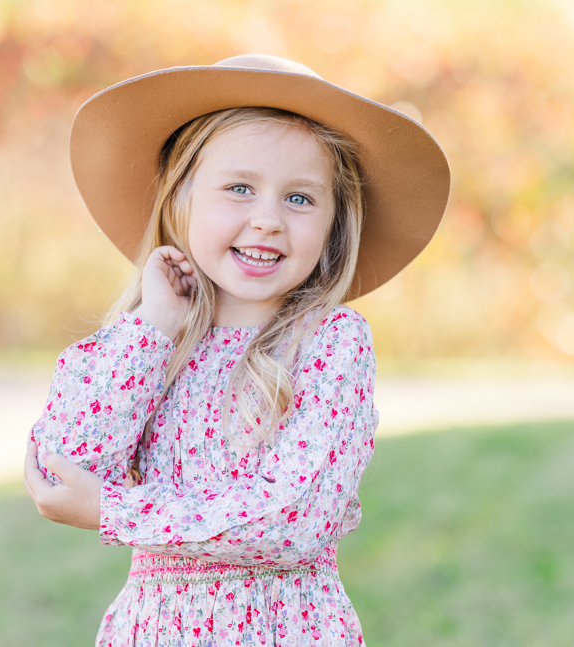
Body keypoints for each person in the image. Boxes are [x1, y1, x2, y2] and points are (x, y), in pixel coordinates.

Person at [23, 54, 450, 646]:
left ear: (333, 223)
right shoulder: (148, 343)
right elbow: (63, 468)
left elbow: (293, 517)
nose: (268, 220)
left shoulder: (330, 343)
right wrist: (154, 327)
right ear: (181, 200)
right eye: (239, 188)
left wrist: (116, 510)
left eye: (300, 199)